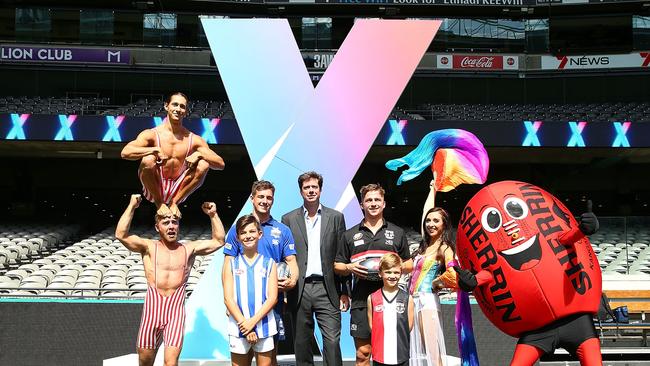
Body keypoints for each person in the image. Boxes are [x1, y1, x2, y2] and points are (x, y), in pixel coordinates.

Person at [115, 194, 226, 366]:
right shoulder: (149, 247)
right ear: (157, 227)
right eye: (166, 222)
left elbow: (219, 241)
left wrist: (213, 214)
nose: (171, 226)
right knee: (145, 362)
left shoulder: (188, 249)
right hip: (153, 310)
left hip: (175, 312)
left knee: (171, 363)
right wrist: (131, 206)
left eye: (175, 222)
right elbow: (121, 235)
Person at [334, 183, 413, 366]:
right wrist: (350, 268)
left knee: (391, 352)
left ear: (384, 203)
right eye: (368, 200)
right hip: (361, 299)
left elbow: (408, 263)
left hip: (391, 298)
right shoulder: (350, 235)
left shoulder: (397, 233)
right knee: (363, 354)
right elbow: (337, 265)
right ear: (362, 204)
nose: (373, 203)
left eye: (377, 199)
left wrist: (389, 268)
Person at [223, 180, 298, 364]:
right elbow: (227, 266)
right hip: (240, 307)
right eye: (261, 196)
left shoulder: (282, 230)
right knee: (243, 357)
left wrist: (292, 280)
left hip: (272, 304)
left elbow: (292, 262)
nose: (265, 201)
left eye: (269, 197)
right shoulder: (237, 229)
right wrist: (228, 302)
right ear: (252, 198)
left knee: (270, 358)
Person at [281, 172, 350, 366]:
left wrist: (345, 291)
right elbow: (285, 257)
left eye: (314, 187)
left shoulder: (336, 217)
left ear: (320, 189)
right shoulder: (288, 219)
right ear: (300, 191)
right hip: (299, 289)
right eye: (306, 187)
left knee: (332, 341)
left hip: (328, 288)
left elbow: (341, 255)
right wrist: (285, 289)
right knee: (302, 343)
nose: (311, 191)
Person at [121, 92, 225, 211]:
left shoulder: (194, 139)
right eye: (175, 104)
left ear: (186, 111)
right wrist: (154, 150)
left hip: (179, 190)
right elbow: (125, 152)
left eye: (182, 106)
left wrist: (199, 154)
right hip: (155, 187)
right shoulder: (152, 134)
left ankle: (174, 203)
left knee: (204, 163)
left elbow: (220, 164)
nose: (178, 109)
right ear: (166, 106)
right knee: (148, 159)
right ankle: (160, 204)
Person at [223, 214, 278, 366]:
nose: (248, 236)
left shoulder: (270, 263)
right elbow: (228, 299)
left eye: (251, 231)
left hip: (264, 325)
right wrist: (245, 325)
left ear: (259, 234)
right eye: (243, 233)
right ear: (238, 237)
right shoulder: (231, 264)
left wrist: (252, 322)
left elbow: (273, 298)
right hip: (238, 326)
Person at [367, 253, 414, 366]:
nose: (392, 276)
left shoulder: (407, 298)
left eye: (396, 272)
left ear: (401, 274)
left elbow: (409, 326)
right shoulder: (372, 298)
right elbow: (371, 327)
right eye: (388, 272)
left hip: (401, 354)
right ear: (380, 273)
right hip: (380, 355)